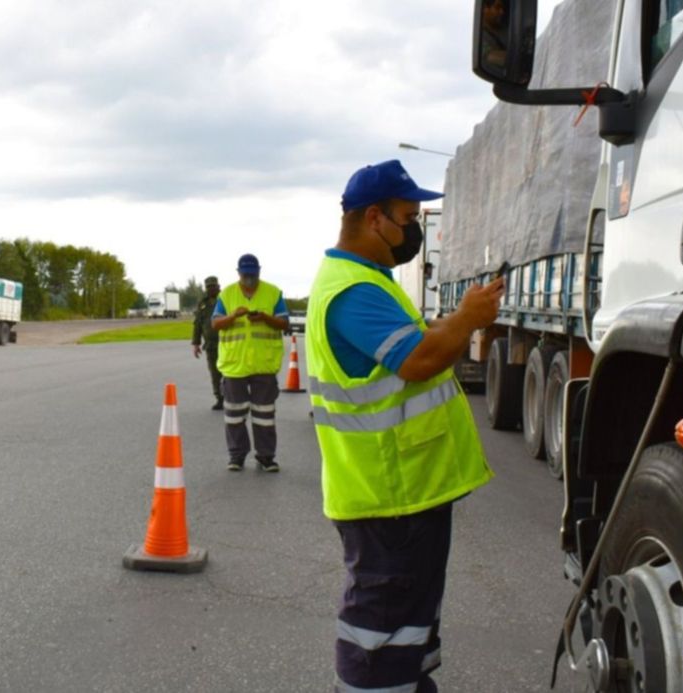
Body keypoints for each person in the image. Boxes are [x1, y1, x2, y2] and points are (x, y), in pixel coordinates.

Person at [307, 160, 504, 692]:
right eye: (409, 217)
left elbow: (414, 346)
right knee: (380, 629)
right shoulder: (354, 291)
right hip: (389, 498)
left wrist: (458, 320)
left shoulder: (371, 282)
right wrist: (466, 318)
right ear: (375, 218)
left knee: (404, 627)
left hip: (405, 494)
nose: (415, 229)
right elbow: (418, 360)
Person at [211, 254, 290, 472]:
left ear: (259, 272)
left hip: (263, 364)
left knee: (264, 415)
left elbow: (284, 323)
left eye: (253, 274)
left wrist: (265, 317)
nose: (249, 279)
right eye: (245, 274)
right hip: (234, 365)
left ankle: (266, 457)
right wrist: (233, 316)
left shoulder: (273, 293)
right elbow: (216, 324)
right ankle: (236, 456)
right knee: (234, 415)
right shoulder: (227, 294)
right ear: (238, 273)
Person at [191, 276, 224, 410]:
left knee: (230, 373)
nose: (211, 289)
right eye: (208, 287)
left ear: (218, 286)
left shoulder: (225, 300)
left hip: (226, 343)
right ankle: (220, 399)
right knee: (214, 373)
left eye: (213, 286)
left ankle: (234, 397)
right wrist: (196, 343)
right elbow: (197, 324)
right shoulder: (202, 303)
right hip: (210, 345)